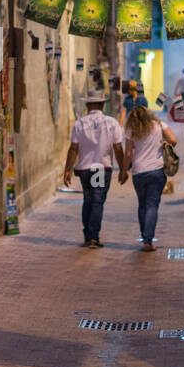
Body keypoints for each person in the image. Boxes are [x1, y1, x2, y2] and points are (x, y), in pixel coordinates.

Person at [62, 92, 125, 249]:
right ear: (103, 105)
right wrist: (123, 168)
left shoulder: (80, 123)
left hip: (85, 168)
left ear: (87, 105)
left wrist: (67, 169)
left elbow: (73, 148)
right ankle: (93, 237)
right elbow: (118, 148)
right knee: (96, 202)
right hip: (100, 167)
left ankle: (88, 235)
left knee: (88, 201)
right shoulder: (111, 123)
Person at [120, 106, 177, 251]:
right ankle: (148, 240)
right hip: (157, 170)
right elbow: (173, 140)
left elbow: (127, 154)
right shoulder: (158, 125)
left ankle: (144, 236)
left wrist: (123, 171)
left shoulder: (131, 129)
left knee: (142, 204)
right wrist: (163, 146)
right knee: (152, 204)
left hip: (139, 172)